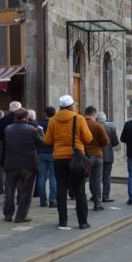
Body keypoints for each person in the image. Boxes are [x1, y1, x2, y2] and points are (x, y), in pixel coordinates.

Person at [43, 95, 93, 229]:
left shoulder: (53, 120)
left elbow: (47, 141)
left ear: (60, 107)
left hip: (59, 158)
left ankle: (63, 221)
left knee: (61, 190)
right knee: (79, 191)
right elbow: (88, 139)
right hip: (76, 158)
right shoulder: (79, 119)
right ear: (72, 106)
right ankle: (82, 222)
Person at [2, 108, 44, 223]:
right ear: (26, 118)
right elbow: (40, 143)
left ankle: (8, 214)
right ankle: (21, 216)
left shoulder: (8, 129)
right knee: (26, 191)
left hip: (11, 163)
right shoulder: (31, 129)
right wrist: (40, 132)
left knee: (10, 190)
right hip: (28, 164)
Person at [83, 106, 110, 211]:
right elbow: (106, 141)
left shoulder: (81, 124)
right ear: (94, 114)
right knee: (97, 180)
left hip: (84, 155)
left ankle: (81, 202)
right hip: (97, 154)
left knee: (83, 179)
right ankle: (97, 203)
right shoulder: (98, 126)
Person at [37, 107, 57, 208]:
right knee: (53, 177)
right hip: (53, 152)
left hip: (41, 152)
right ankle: (53, 200)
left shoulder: (40, 124)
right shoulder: (55, 124)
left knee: (41, 177)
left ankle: (42, 201)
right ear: (54, 113)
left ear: (45, 114)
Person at [97, 111, 120, 203]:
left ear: (97, 119)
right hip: (108, 156)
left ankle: (96, 195)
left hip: (96, 155)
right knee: (106, 177)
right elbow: (115, 142)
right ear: (105, 118)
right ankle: (105, 196)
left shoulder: (94, 126)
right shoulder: (111, 127)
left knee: (96, 177)